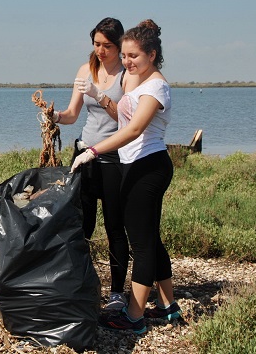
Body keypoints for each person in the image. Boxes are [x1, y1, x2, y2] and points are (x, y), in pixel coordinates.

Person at [71, 19, 180, 334]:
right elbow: (118, 112)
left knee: (141, 245)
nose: (128, 62)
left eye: (134, 56)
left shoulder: (157, 86)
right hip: (135, 165)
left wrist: (92, 151)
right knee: (152, 241)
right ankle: (167, 305)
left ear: (152, 55)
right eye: (127, 55)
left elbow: (133, 129)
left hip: (149, 167)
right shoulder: (138, 81)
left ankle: (133, 316)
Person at [50, 17, 131, 311]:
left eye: (107, 46)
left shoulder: (127, 75)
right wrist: (54, 116)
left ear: (120, 45)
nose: (100, 51)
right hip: (85, 154)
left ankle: (117, 292)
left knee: (114, 226)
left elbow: (126, 120)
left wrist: (101, 95)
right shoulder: (87, 70)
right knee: (80, 224)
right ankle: (80, 283)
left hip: (113, 158)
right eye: (96, 44)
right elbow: (73, 114)